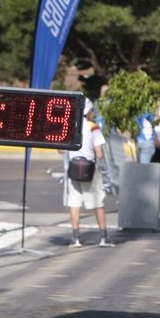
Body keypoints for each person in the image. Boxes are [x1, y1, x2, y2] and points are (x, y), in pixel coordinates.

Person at [64, 104, 115, 248]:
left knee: (74, 204)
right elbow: (99, 154)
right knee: (98, 203)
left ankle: (75, 238)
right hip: (89, 170)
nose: (93, 113)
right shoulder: (93, 127)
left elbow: (61, 151)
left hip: (73, 170)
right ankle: (104, 237)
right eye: (92, 110)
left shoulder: (69, 126)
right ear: (87, 112)